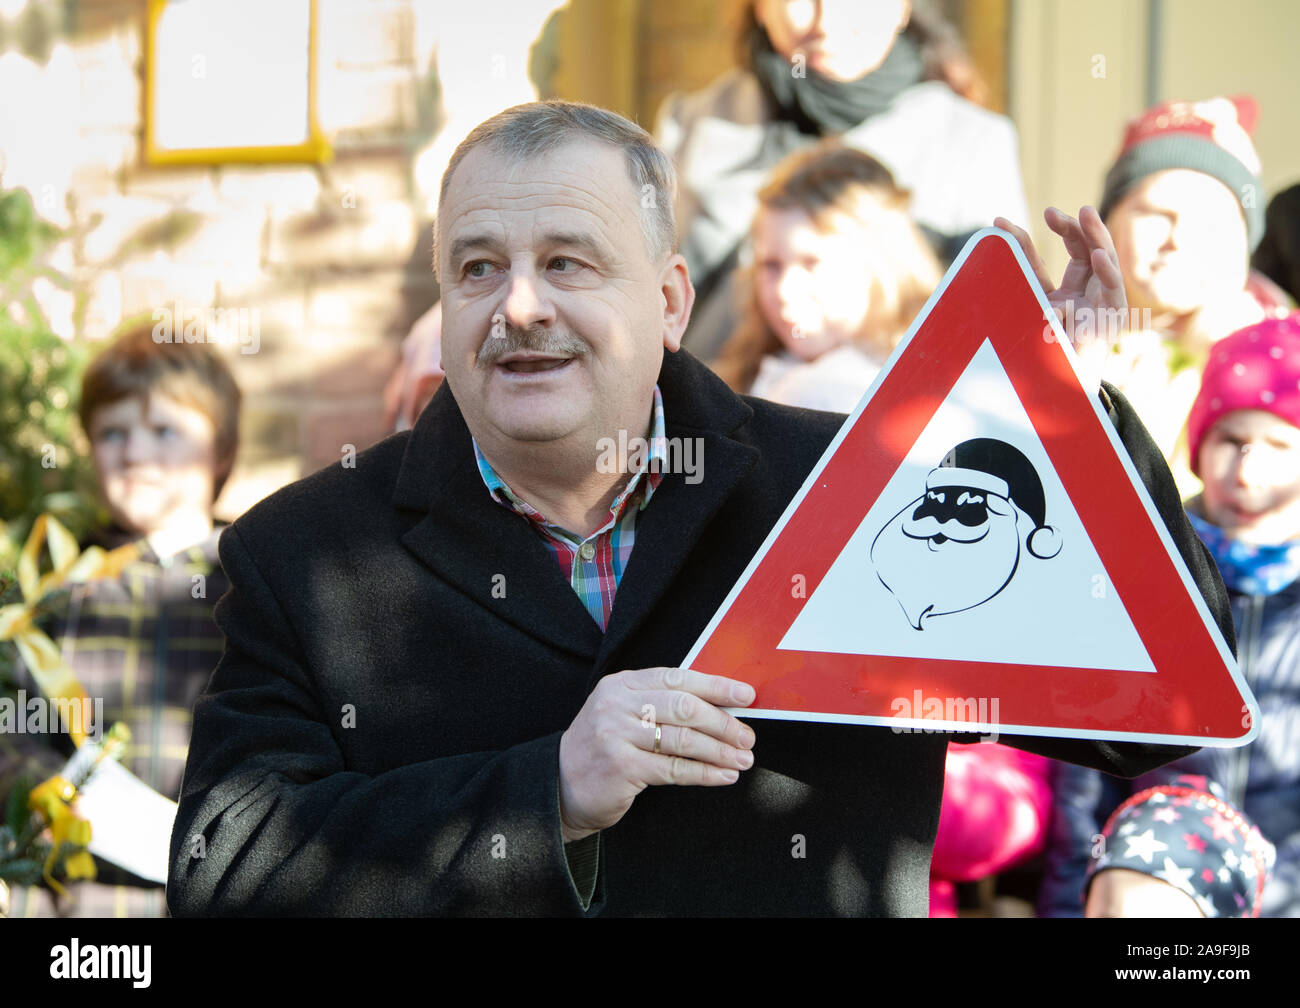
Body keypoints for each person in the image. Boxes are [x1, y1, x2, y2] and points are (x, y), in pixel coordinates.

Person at [166, 101, 1231, 917]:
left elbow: (1153, 721)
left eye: (567, 264)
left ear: (670, 300)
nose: (518, 306)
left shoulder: (854, 489)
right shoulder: (296, 550)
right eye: (477, 268)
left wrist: (1070, 422)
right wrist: (550, 792)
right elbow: (225, 870)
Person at [1039, 314, 1300, 918]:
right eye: (1230, 441)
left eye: (1281, 446)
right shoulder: (1153, 571)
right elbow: (1086, 771)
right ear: (1198, 445)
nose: (1247, 472)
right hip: (1144, 879)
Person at [9, 324, 240, 917]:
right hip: (72, 894)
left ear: (221, 449)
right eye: (112, 433)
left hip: (212, 889)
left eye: (165, 430)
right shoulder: (54, 584)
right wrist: (48, 790)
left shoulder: (256, 579)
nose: (135, 452)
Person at [655, 0, 1028, 363]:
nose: (825, 21)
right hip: (706, 411)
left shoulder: (972, 140)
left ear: (901, 8)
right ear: (759, 7)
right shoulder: (690, 124)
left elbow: (996, 339)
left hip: (879, 417)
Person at [1096, 96, 1290, 469]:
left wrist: (1238, 356)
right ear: (1106, 226)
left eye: (1210, 221)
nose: (1179, 239)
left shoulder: (1284, 354)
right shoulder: (1058, 334)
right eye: (1156, 214)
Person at [713, 141, 940, 410]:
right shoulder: (753, 369)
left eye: (812, 263)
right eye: (770, 265)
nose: (786, 290)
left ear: (881, 261)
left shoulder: (843, 389)